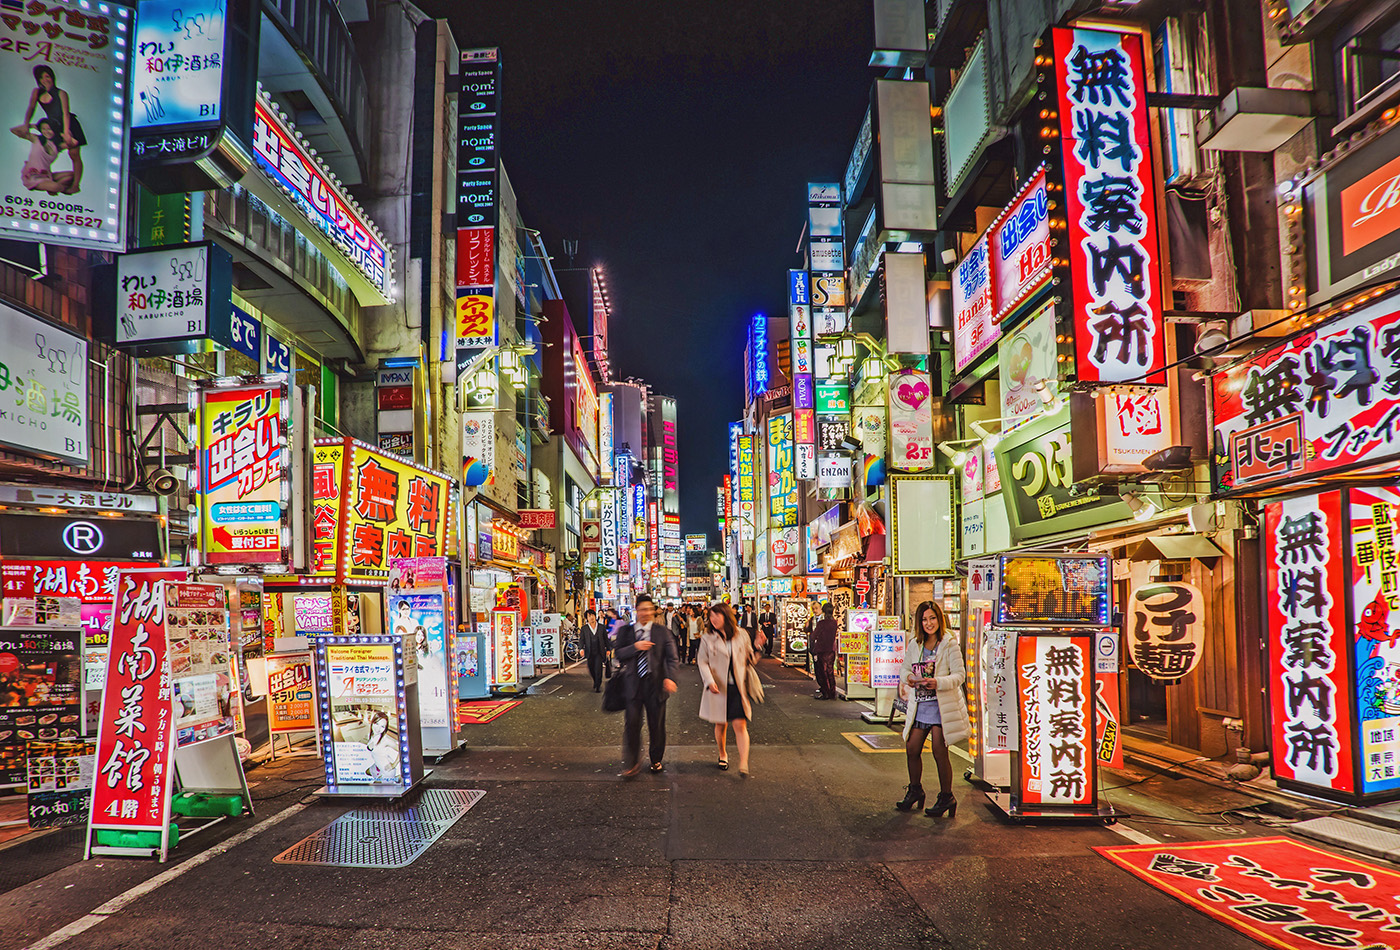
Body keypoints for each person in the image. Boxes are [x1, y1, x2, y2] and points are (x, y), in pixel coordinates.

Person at [895, 601, 970, 818]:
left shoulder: (949, 644)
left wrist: (937, 682)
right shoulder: (915, 643)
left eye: (933, 618)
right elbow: (904, 668)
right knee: (912, 748)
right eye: (925, 619)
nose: (929, 623)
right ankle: (915, 790)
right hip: (920, 703)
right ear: (919, 622)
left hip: (941, 706)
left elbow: (959, 675)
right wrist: (909, 677)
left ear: (940, 619)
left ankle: (947, 796)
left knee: (939, 751)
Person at [614, 594, 679, 777]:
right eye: (642, 609)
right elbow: (618, 653)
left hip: (656, 684)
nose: (646, 613)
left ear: (653, 611)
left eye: (649, 609)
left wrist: (670, 678)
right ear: (636, 610)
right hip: (633, 684)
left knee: (656, 724)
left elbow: (672, 658)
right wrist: (636, 647)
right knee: (632, 724)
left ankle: (656, 758)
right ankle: (633, 761)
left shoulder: (662, 632)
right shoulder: (626, 632)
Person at [698, 601, 758, 777]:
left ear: (726, 616)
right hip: (718, 687)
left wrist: (758, 646)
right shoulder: (707, 638)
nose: (713, 619)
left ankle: (743, 763)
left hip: (737, 686)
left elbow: (749, 660)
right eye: (711, 616)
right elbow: (702, 661)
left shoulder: (741, 635)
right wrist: (709, 681)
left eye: (717, 615)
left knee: (740, 724)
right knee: (721, 724)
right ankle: (722, 753)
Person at [24, 66, 84, 192]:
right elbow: (31, 107)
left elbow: (65, 114)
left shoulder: (61, 93)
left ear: (52, 77)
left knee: (74, 154)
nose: (45, 79)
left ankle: (75, 185)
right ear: (38, 79)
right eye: (42, 77)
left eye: (47, 76)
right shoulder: (37, 92)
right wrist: (26, 123)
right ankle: (46, 180)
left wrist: (67, 133)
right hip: (53, 126)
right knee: (47, 150)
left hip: (69, 124)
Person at [11, 119, 74, 195]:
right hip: (32, 176)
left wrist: (61, 133)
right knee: (56, 187)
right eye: (43, 129)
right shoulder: (36, 139)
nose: (46, 131)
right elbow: (14, 130)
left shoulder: (57, 145)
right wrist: (32, 126)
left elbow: (73, 143)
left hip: (46, 174)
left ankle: (50, 186)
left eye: (49, 129)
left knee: (73, 175)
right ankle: (53, 188)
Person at [809, 602, 839, 700]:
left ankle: (826, 692)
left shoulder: (821, 623)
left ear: (824, 611)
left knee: (822, 672)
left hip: (821, 650)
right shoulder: (834, 622)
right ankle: (832, 692)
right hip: (831, 649)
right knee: (830, 671)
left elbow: (813, 636)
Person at [582, 608, 610, 692]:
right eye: (589, 616)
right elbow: (581, 640)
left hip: (599, 651)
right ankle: (595, 680)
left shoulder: (601, 627)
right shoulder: (584, 628)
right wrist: (580, 649)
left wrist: (608, 649)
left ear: (595, 616)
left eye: (593, 615)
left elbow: (606, 639)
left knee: (598, 668)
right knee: (591, 668)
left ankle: (598, 685)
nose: (591, 617)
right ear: (587, 618)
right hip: (589, 651)